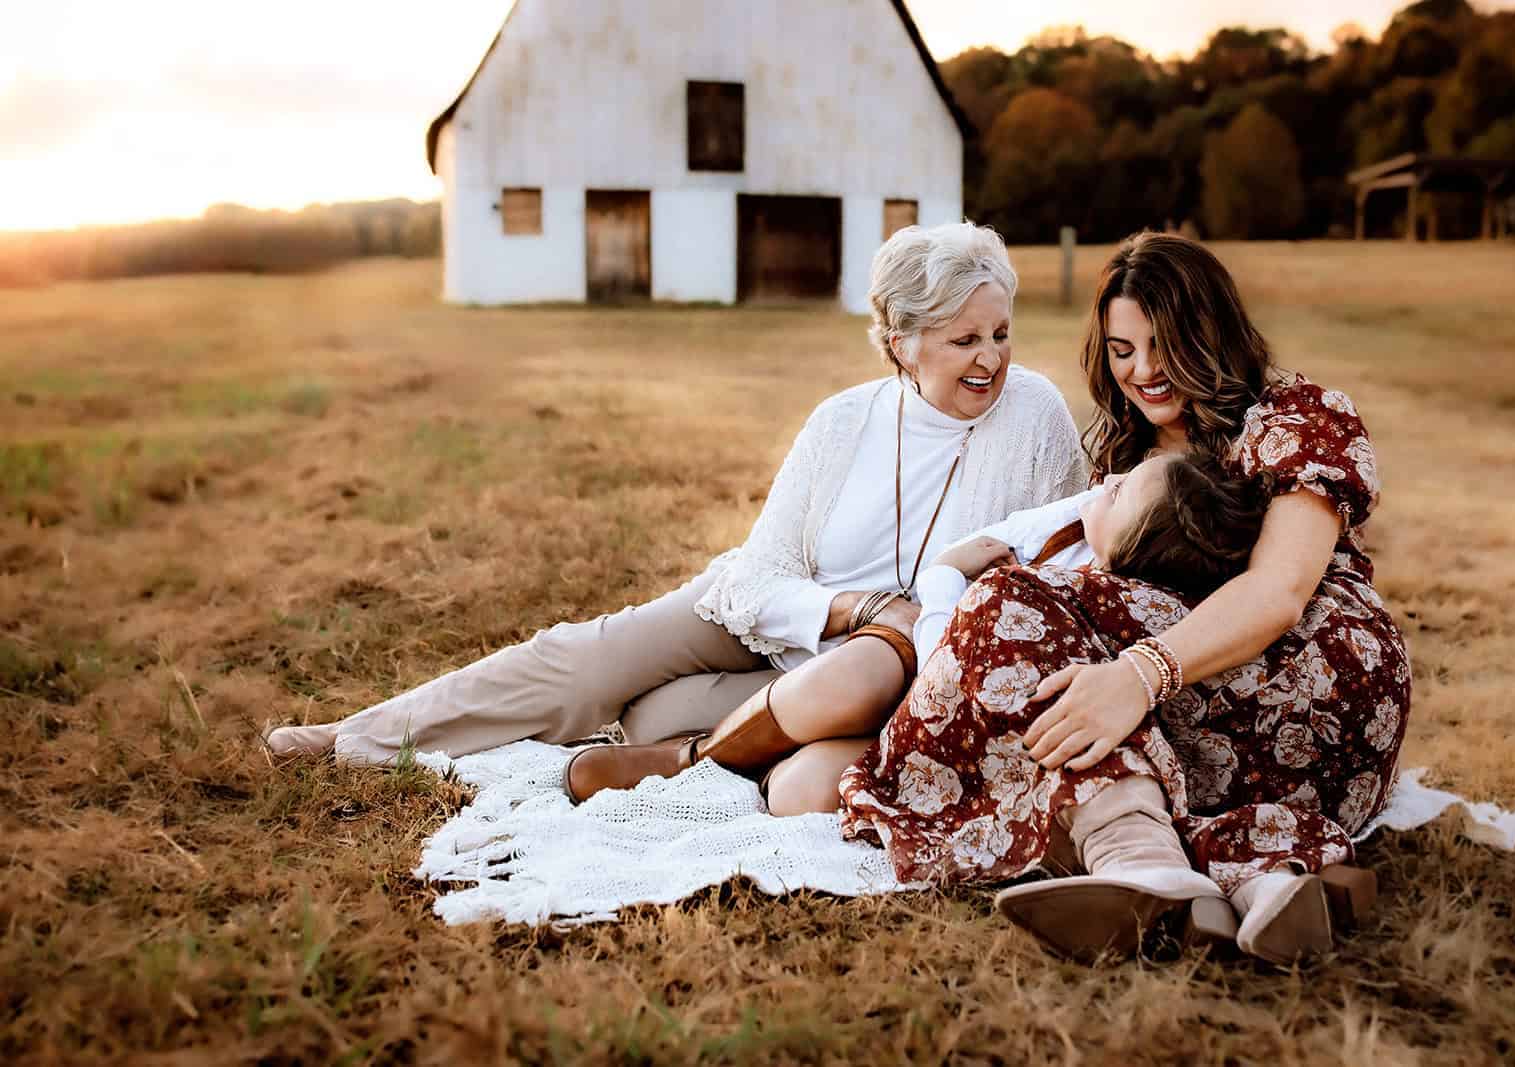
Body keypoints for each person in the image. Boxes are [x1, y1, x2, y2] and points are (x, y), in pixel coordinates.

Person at [263, 222, 1089, 765]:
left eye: (1001, 333)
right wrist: (852, 607)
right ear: (902, 342)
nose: (991, 358)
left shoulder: (1036, 416)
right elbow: (760, 573)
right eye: (964, 339)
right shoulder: (844, 420)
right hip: (774, 611)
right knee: (583, 657)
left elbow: (1065, 570)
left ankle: (644, 736)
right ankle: (359, 737)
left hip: (871, 676)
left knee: (654, 721)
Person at [838, 232, 1410, 966]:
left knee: (1007, 604)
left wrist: (1136, 676)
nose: (1142, 371)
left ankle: (1139, 858)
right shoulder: (1124, 452)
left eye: (1163, 345)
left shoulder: (1296, 416)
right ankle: (1257, 876)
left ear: (1213, 331)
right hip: (1214, 734)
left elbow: (1280, 593)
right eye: (1121, 350)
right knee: (1054, 663)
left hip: (1318, 684)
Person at [563, 450, 1270, 818]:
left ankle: (751, 764)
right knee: (852, 678)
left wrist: (948, 579)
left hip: (952, 722)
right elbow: (950, 594)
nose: (1105, 480)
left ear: (1127, 552)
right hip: (911, 669)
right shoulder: (1065, 524)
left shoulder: (1104, 602)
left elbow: (953, 652)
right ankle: (689, 759)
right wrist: (944, 578)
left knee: (802, 792)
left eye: (1119, 491)